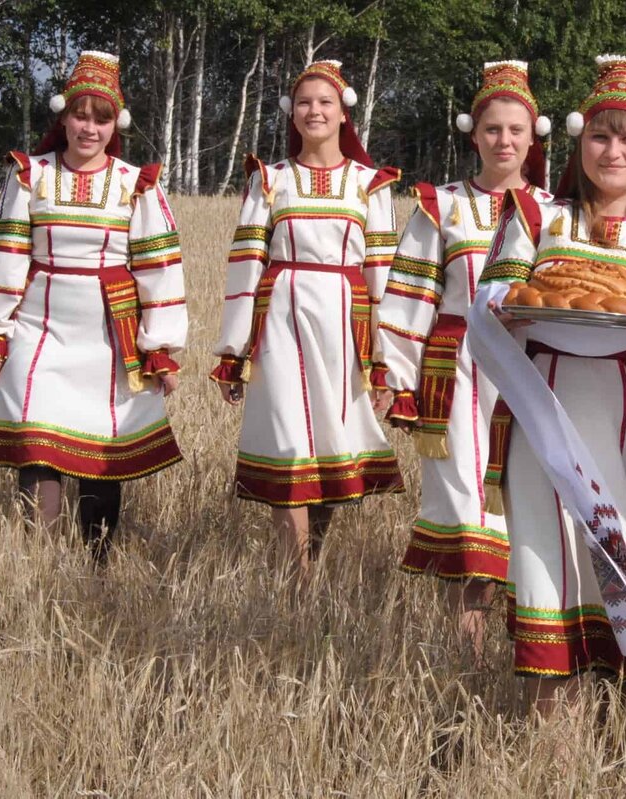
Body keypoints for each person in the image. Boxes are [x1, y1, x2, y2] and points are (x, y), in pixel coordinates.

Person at [478, 55, 626, 715]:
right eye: (600, 136)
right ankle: (549, 736)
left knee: (622, 557)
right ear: (580, 141)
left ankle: (623, 728)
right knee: (545, 563)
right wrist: (503, 309)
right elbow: (491, 300)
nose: (613, 151)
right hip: (540, 411)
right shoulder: (535, 215)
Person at [0, 51, 186, 564]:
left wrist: (160, 348)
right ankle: (40, 563)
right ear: (62, 117)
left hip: (110, 335)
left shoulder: (136, 184)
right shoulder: (29, 175)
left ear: (116, 124)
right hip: (39, 327)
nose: (89, 128)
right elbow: (7, 257)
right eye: (80, 115)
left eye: (101, 119)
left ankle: (95, 565)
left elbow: (159, 269)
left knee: (102, 449)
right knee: (36, 442)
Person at [373, 61, 551, 666]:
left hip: (530, 377)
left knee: (526, 511)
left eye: (515, 130)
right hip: (456, 376)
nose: (504, 140)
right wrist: (397, 378)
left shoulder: (556, 212)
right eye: (492, 128)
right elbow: (409, 296)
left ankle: (528, 648)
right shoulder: (440, 206)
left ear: (534, 136)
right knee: (468, 515)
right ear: (473, 134)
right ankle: (467, 657)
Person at [210, 60, 404, 581]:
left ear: (343, 113)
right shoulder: (270, 180)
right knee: (288, 439)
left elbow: (383, 275)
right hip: (281, 319)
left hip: (344, 327)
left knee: (332, 445)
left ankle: (311, 557)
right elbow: (246, 267)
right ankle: (295, 574)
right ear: (291, 113)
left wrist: (385, 362)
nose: (313, 111)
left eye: (324, 102)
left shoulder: (370, 184)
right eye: (303, 102)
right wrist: (233, 351)